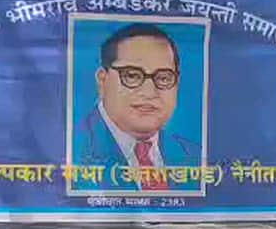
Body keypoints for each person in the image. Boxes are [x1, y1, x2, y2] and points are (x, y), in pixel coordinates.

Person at [71, 23, 200, 191]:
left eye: (163, 78)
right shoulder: (70, 151)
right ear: (103, 81)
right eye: (131, 76)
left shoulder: (195, 157)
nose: (149, 92)